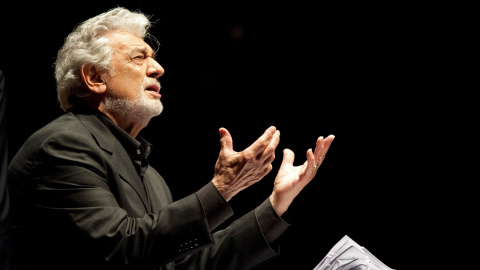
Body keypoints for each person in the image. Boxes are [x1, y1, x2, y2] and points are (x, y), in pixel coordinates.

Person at [7, 7, 334, 270]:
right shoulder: (62, 146)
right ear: (94, 78)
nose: (158, 68)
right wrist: (223, 188)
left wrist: (276, 205)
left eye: (154, 57)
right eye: (139, 58)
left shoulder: (152, 178)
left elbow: (182, 262)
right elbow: (123, 250)